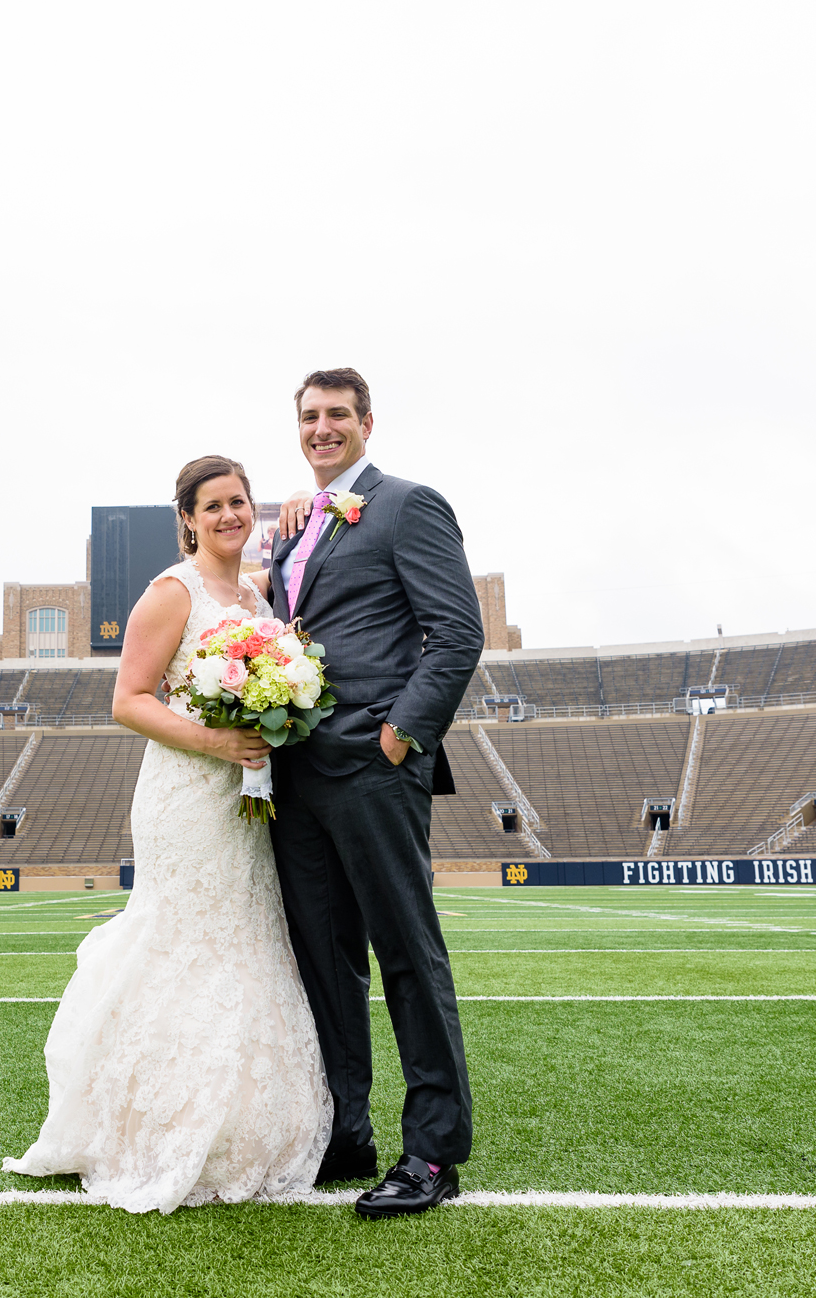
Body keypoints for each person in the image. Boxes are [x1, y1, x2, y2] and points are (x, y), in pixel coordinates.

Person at [3, 455, 332, 1214]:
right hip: (187, 794)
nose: (228, 515)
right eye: (212, 504)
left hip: (247, 795)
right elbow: (128, 699)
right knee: (184, 939)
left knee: (248, 938)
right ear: (187, 517)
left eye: (239, 502)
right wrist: (216, 742)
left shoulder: (257, 592)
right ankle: (157, 1128)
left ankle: (247, 1126)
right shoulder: (169, 590)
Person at [267, 367, 486, 1218]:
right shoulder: (293, 528)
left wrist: (400, 734)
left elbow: (456, 629)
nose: (323, 429)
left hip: (372, 763)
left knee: (406, 953)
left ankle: (433, 1151)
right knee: (324, 962)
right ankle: (344, 1130)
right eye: (310, 417)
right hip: (296, 773)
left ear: (367, 423)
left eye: (337, 416)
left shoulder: (406, 503)